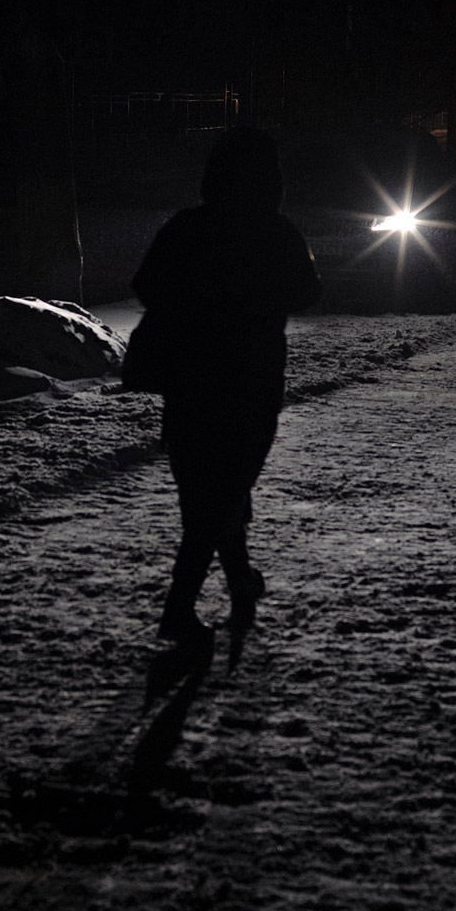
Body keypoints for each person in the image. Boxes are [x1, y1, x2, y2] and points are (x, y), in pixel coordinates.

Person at [131, 127, 321, 642]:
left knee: (206, 491)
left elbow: (145, 285)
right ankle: (179, 609)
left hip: (189, 379)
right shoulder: (275, 232)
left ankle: (238, 579)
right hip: (250, 379)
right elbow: (306, 292)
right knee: (227, 488)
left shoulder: (187, 228)